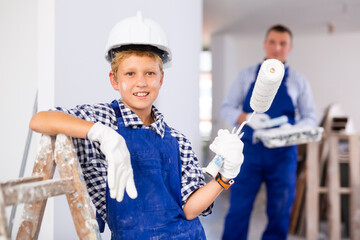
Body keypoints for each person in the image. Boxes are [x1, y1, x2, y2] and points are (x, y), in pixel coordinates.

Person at [29, 12, 244, 239]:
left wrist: (224, 177)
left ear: (161, 78)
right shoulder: (103, 119)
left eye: (150, 73)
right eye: (130, 73)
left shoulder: (177, 139)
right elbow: (40, 120)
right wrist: (100, 133)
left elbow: (190, 210)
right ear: (114, 79)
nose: (141, 82)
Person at [220, 24, 317, 240]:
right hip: (248, 152)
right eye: (272, 42)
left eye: (282, 43)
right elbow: (227, 108)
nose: (277, 48)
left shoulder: (298, 81)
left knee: (280, 212)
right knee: (238, 209)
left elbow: (311, 116)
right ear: (265, 44)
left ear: (289, 47)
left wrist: (292, 129)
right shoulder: (246, 76)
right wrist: (248, 119)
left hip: (283, 155)